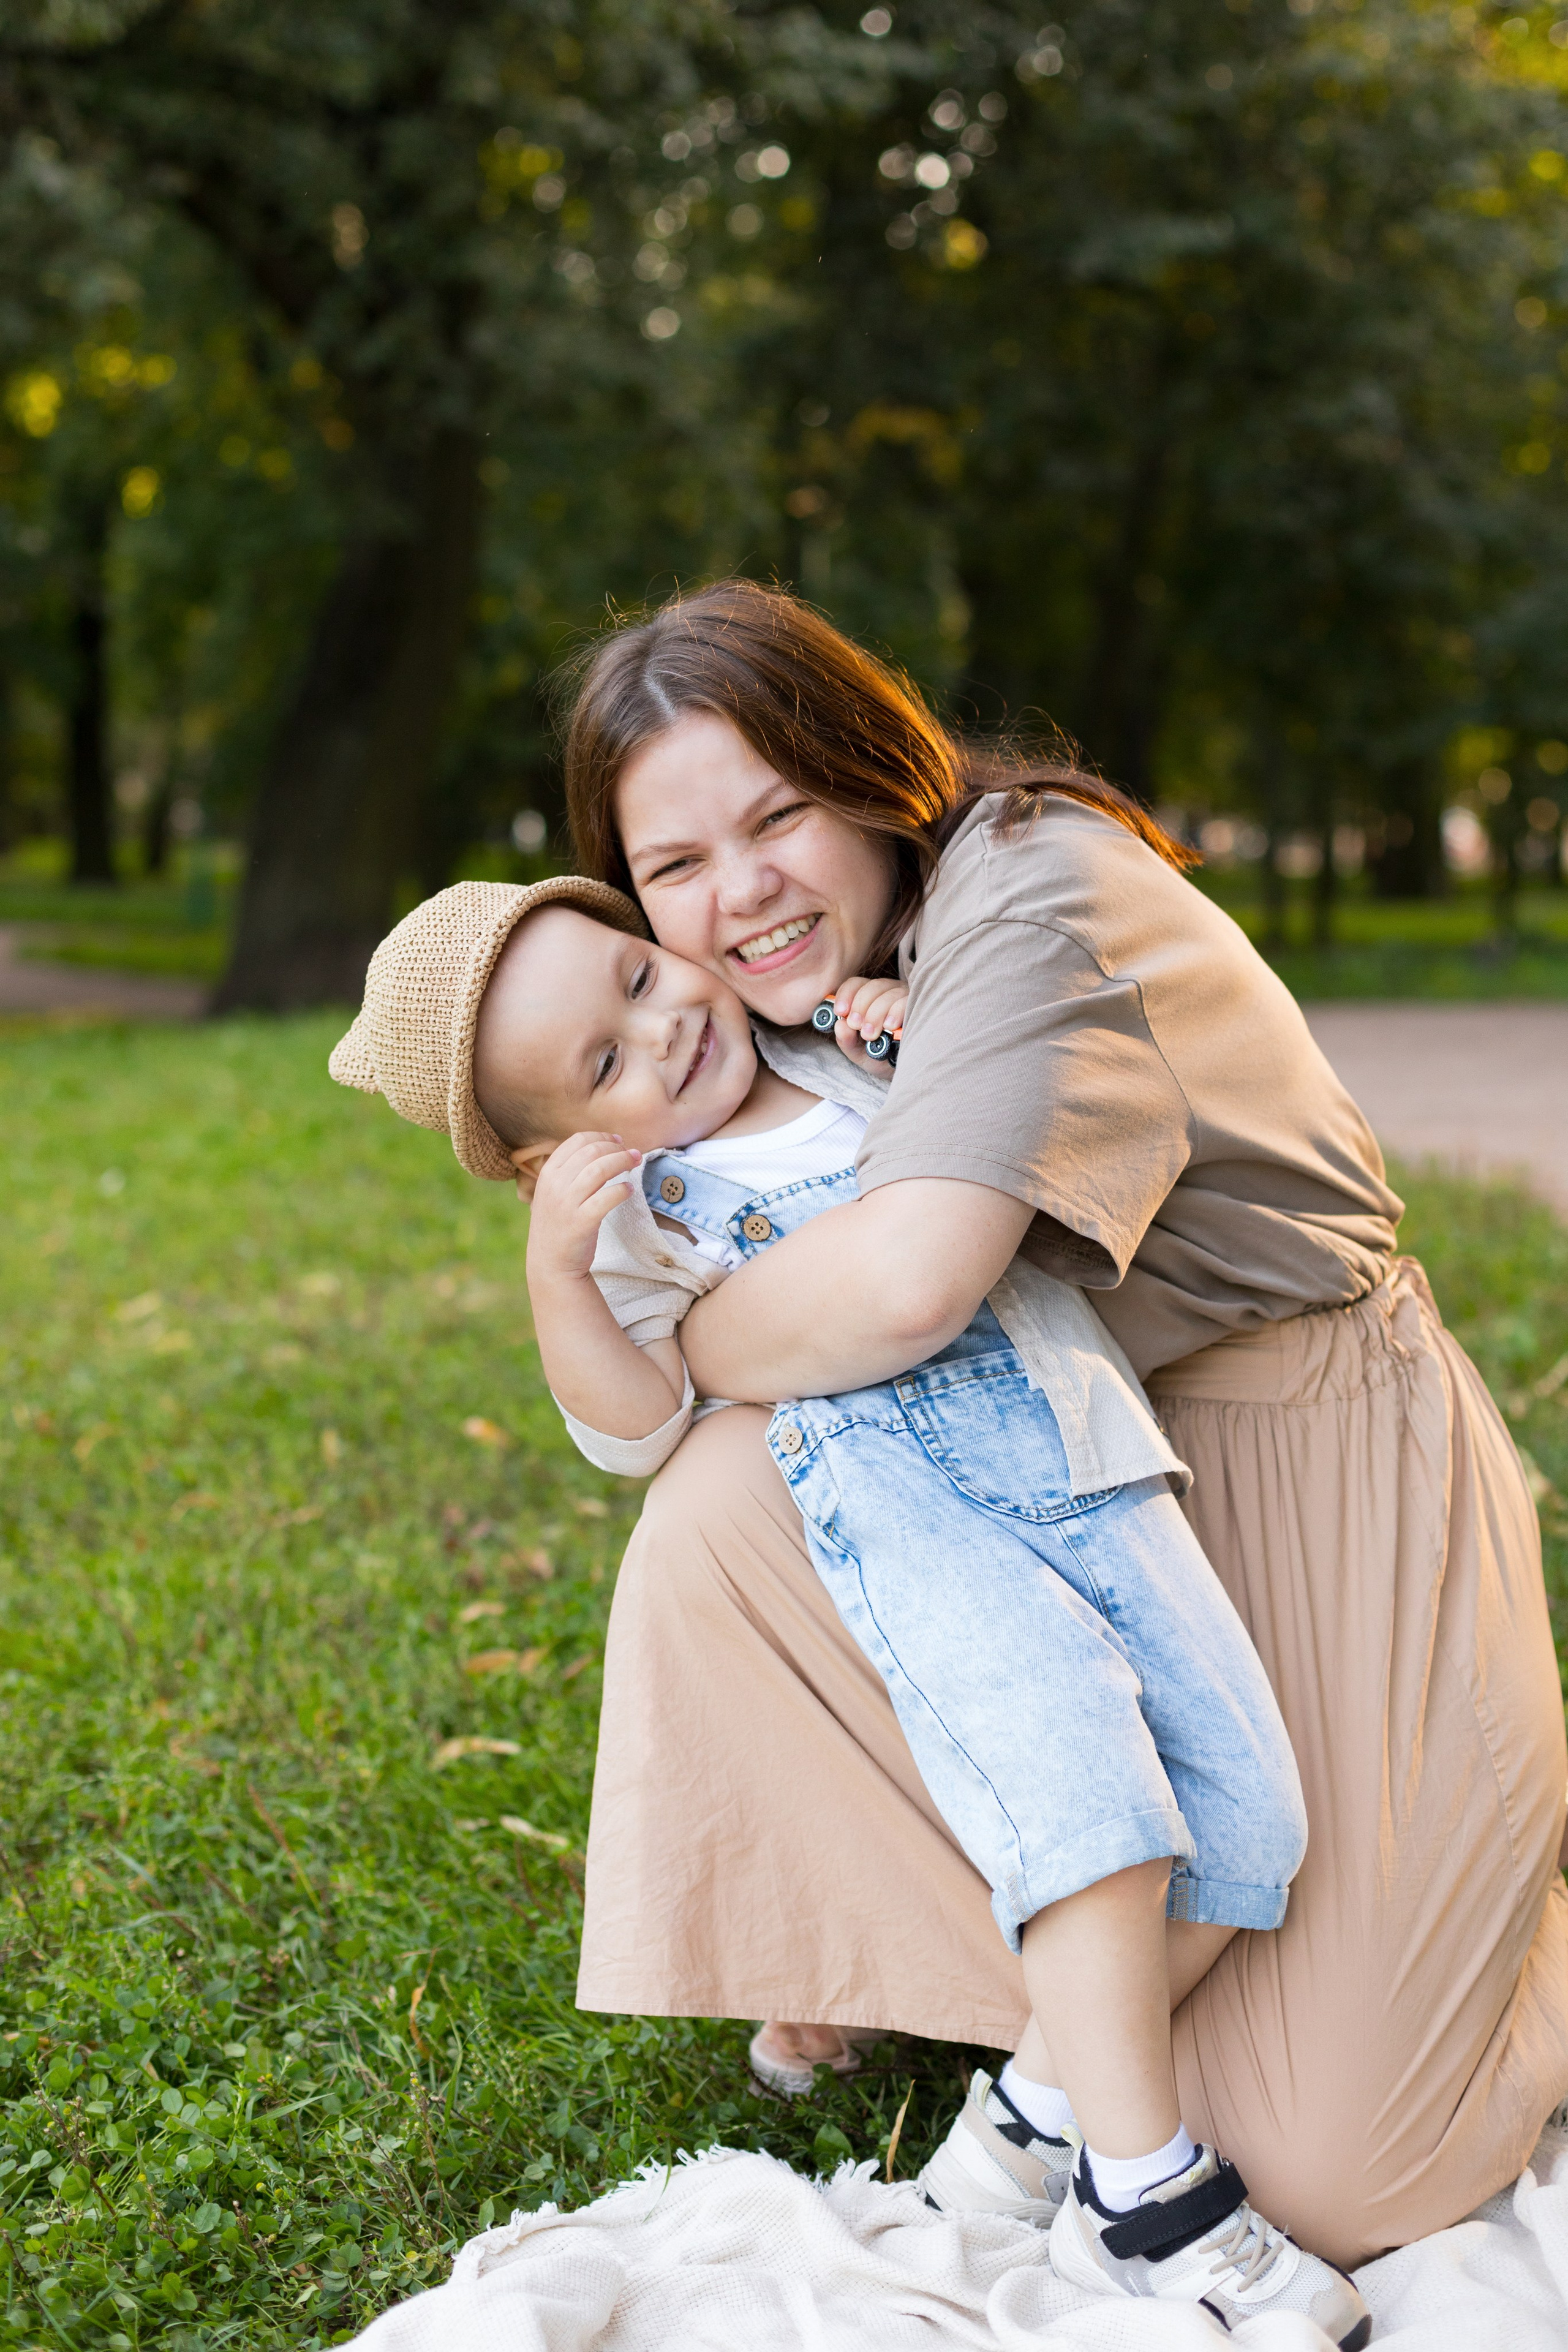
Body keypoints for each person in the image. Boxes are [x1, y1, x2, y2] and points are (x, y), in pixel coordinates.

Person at [557, 578, 1568, 2275]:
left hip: (1308, 1448)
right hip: (1071, 1467)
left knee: (1343, 2177)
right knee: (732, 1504)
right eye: (675, 867)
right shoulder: (813, 1020)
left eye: (778, 816)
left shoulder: (1029, 889)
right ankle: (943, 1969)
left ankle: (1097, 2050)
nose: (740, 897)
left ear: (871, 769)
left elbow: (902, 1292)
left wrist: (693, 1344)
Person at [330, 878, 1366, 2339]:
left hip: (1094, 1462)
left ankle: (1024, 2119)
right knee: (1088, 1812)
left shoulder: (827, 1050)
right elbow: (633, 1423)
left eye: (636, 977)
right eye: (604, 1066)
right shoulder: (645, 1218)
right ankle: (1145, 2196)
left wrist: (905, 1029)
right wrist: (560, 1276)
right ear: (557, 1152)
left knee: (1251, 1819)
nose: (663, 1033)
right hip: (923, 1525)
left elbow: (990, 1125)